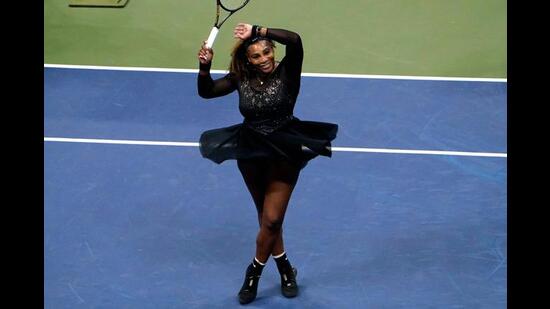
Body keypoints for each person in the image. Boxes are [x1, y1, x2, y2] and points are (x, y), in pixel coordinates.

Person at [197, 23, 338, 304]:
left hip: (284, 149)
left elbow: (295, 40)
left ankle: (253, 274)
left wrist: (258, 30)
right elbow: (207, 91)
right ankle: (286, 268)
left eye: (266, 52)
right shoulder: (241, 77)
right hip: (250, 150)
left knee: (273, 219)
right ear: (247, 60)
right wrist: (204, 67)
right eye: (256, 56)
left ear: (273, 50)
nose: (264, 59)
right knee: (267, 221)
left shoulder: (288, 72)